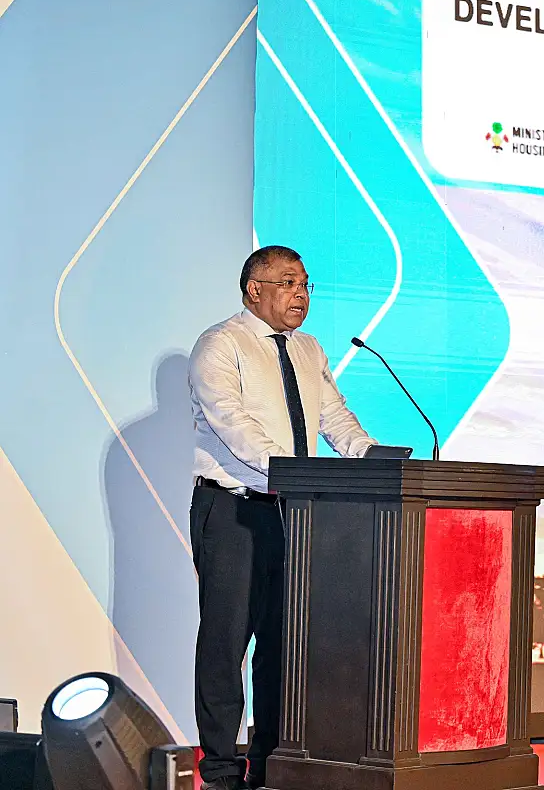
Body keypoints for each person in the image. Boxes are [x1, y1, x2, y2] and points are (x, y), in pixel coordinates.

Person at [188, 245, 376, 789]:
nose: (300, 294)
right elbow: (233, 424)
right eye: (289, 282)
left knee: (280, 644)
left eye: (305, 284)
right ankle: (221, 771)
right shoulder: (220, 345)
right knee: (226, 643)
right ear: (255, 289)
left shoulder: (309, 349)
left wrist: (371, 456)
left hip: (296, 514)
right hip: (233, 511)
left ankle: (270, 762)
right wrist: (290, 471)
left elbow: (333, 415)